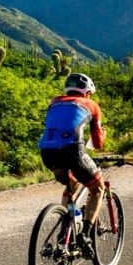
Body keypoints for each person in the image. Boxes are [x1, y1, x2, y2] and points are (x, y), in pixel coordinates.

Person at [38, 73, 106, 247]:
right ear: (88, 92)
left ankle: (65, 227)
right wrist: (101, 136)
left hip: (47, 153)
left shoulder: (54, 102)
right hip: (73, 151)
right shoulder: (92, 105)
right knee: (98, 189)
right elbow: (97, 144)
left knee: (72, 184)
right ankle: (85, 234)